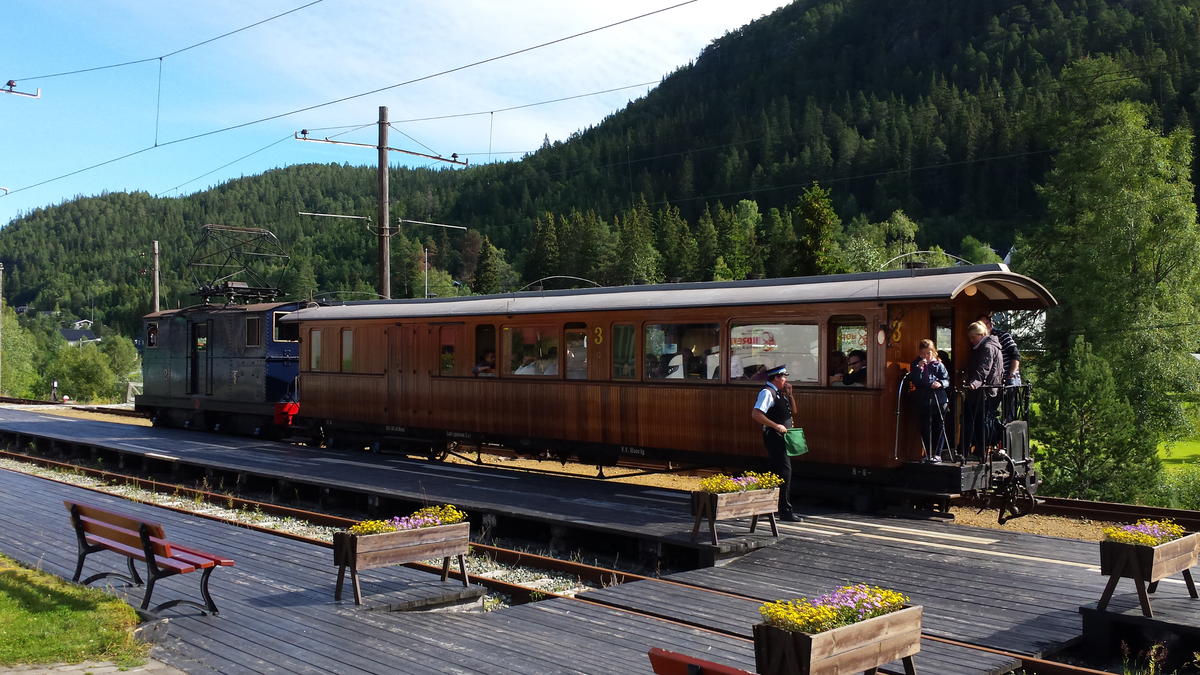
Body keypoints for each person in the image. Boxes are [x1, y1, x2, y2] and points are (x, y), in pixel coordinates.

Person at [750, 365, 799, 521]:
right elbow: (756, 414)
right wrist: (776, 425)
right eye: (784, 376)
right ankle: (785, 510)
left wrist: (790, 395)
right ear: (777, 377)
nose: (786, 380)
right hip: (774, 436)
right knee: (784, 471)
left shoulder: (779, 393)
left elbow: (794, 412)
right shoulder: (767, 392)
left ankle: (774, 506)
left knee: (780, 470)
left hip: (783, 436)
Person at [962, 321, 1003, 458]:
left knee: (979, 420)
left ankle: (980, 451)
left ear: (981, 334)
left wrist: (975, 383)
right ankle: (977, 450)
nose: (971, 340)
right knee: (978, 420)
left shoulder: (987, 347)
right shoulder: (987, 346)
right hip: (985, 390)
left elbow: (984, 367)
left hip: (984, 391)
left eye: (973, 337)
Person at [910, 339, 950, 463]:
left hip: (939, 399)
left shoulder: (939, 364)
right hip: (923, 400)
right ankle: (928, 452)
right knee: (925, 427)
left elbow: (947, 380)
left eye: (928, 353)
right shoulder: (916, 364)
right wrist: (919, 369)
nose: (926, 356)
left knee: (939, 426)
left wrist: (940, 383)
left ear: (933, 352)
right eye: (923, 353)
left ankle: (937, 454)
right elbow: (915, 381)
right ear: (919, 353)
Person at [979, 313, 1020, 386]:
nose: (984, 327)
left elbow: (1015, 355)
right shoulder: (981, 340)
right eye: (981, 325)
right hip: (995, 380)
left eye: (985, 324)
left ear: (991, 324)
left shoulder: (1003, 335)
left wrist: (1011, 374)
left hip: (1009, 378)